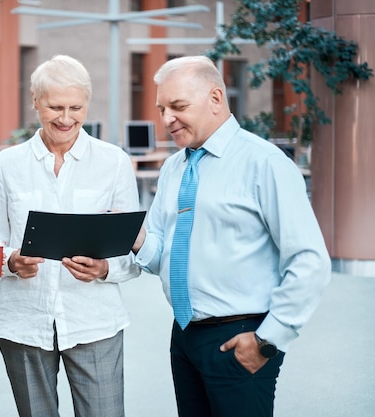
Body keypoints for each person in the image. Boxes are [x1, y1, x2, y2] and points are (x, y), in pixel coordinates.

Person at [131, 55, 331, 417]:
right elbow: (163, 255)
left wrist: (268, 341)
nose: (166, 120)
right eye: (161, 108)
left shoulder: (264, 163)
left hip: (242, 336)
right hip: (185, 336)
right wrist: (138, 239)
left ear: (215, 98)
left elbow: (309, 260)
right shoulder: (174, 167)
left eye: (178, 106)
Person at [0, 54, 141, 417]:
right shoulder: (8, 165)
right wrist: (10, 262)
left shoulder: (114, 163)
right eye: (55, 107)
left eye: (76, 107)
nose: (66, 119)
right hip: (24, 323)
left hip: (95, 321)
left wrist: (104, 269)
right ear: (35, 101)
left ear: (87, 103)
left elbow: (131, 253)